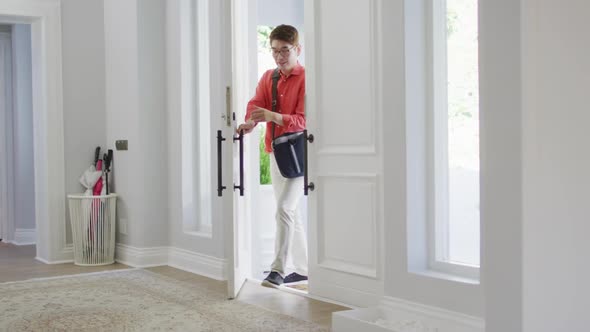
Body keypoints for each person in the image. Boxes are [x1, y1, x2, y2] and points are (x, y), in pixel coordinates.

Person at [237, 24, 308, 288]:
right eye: (275, 51)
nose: (279, 56)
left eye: (285, 50)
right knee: (291, 213)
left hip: (300, 155)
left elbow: (303, 120)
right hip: (276, 152)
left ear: (297, 49)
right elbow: (256, 104)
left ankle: (277, 270)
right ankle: (303, 269)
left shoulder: (306, 78)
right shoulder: (269, 77)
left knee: (284, 209)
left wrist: (273, 117)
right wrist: (249, 122)